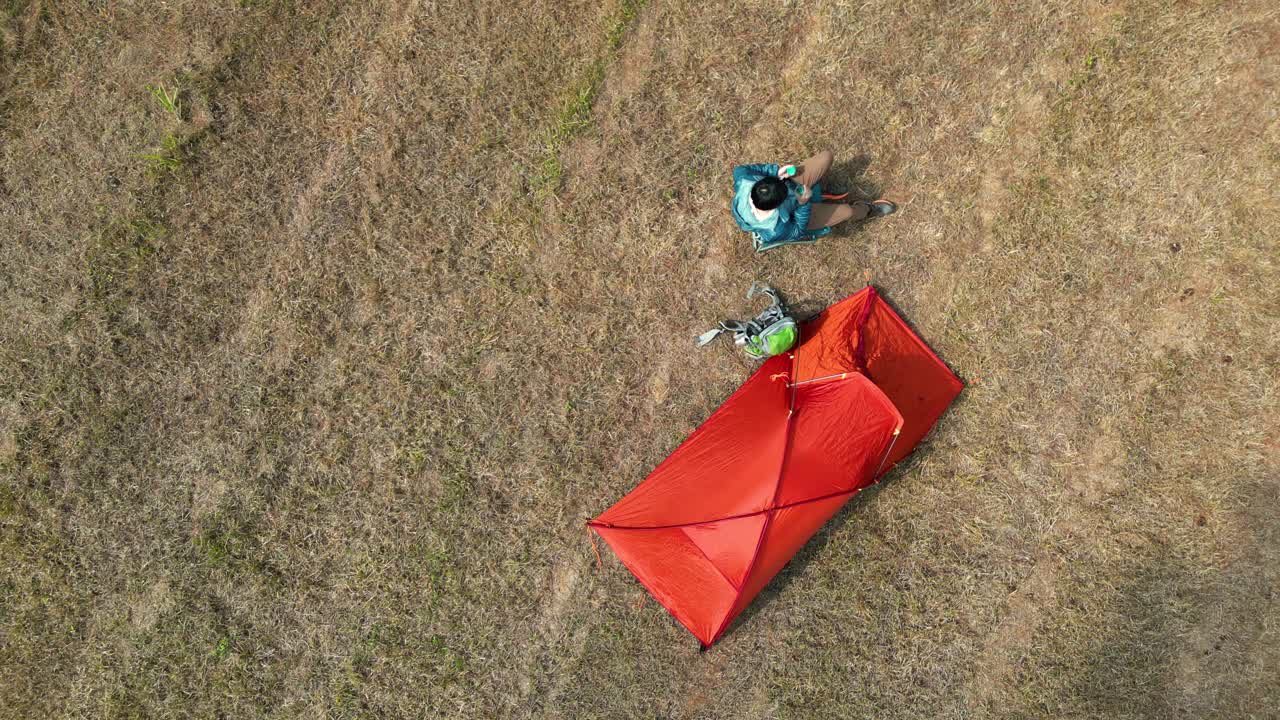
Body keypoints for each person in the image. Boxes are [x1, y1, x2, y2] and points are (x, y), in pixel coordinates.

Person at [730, 150, 896, 252]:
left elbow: (742, 169)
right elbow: (797, 231)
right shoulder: (775, 230)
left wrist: (776, 172)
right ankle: (867, 209)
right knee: (848, 212)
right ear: (777, 206)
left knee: (825, 157)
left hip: (791, 187)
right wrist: (803, 204)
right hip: (798, 213)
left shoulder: (744, 179)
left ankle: (819, 192)